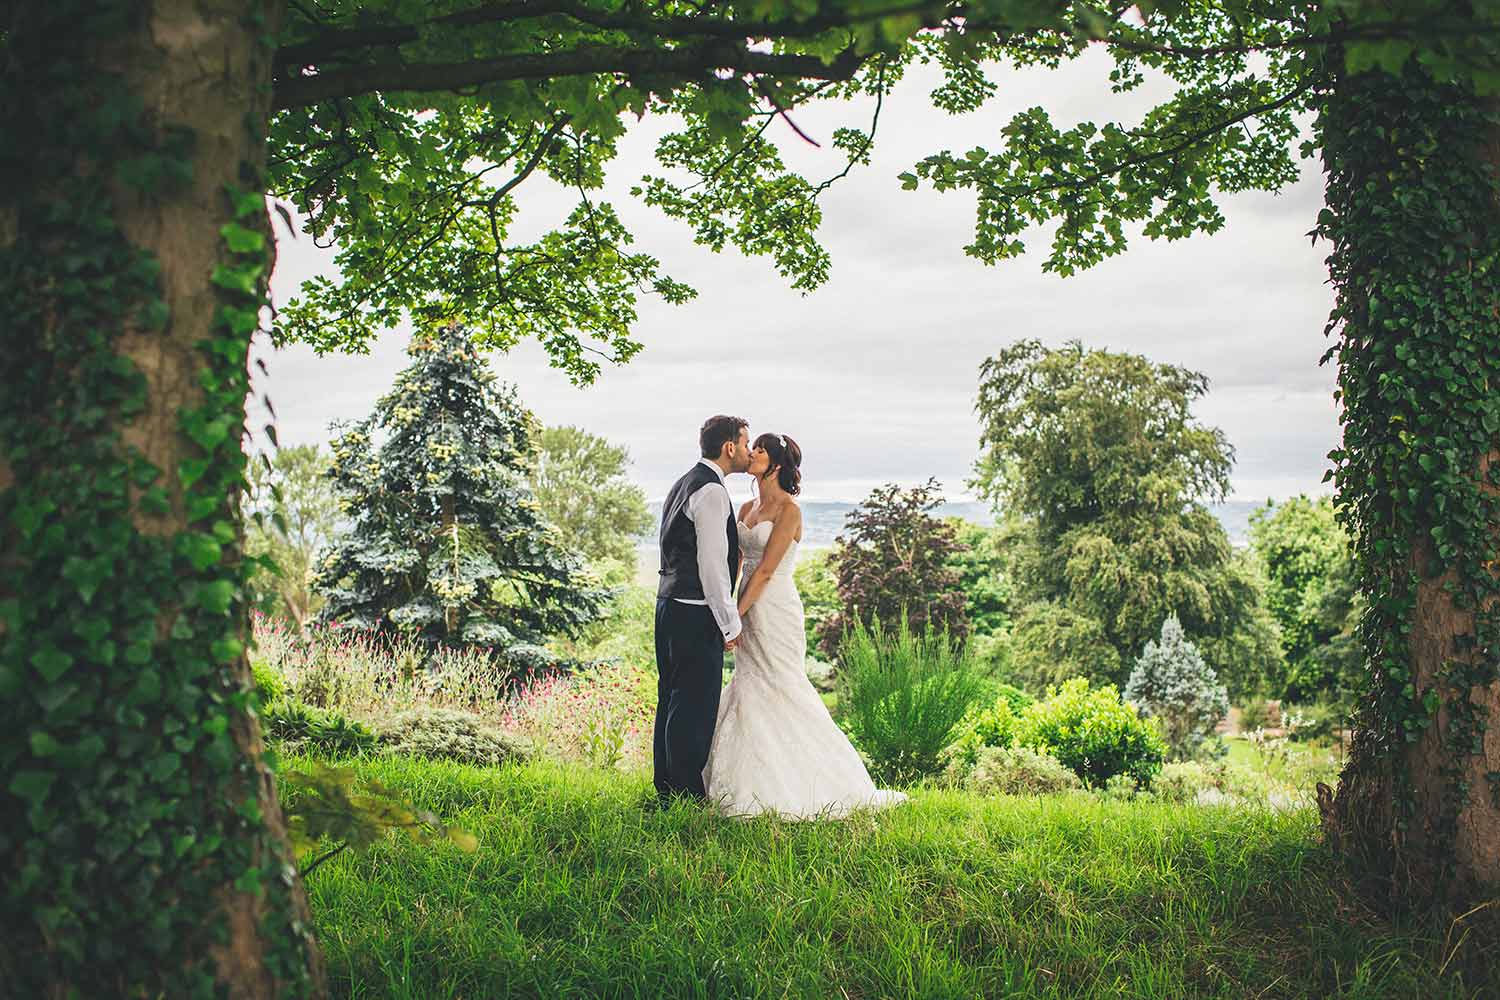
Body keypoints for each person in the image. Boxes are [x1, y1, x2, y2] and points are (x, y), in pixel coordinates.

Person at [701, 432, 908, 819]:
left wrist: (734, 616)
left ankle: (815, 781)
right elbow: (740, 564)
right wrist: (727, 605)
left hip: (774, 607)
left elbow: (764, 572)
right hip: (746, 600)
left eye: (759, 450)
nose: (753, 454)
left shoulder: (790, 511)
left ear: (776, 464)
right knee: (748, 682)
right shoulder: (745, 507)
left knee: (782, 684)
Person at [651, 415, 750, 806]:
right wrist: (729, 624)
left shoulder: (683, 482)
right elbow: (712, 566)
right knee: (694, 703)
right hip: (694, 612)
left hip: (669, 606)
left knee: (673, 697)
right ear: (729, 447)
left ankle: (668, 789)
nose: (747, 450)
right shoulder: (712, 492)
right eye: (744, 443)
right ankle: (686, 795)